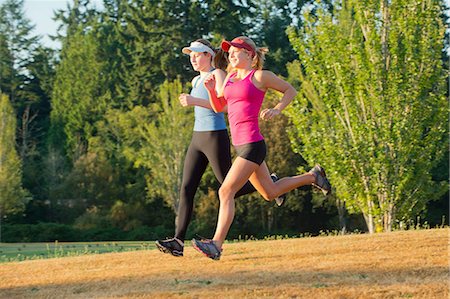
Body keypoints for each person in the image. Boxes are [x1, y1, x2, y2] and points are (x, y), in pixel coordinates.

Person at [191, 36, 332, 260]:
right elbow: (220, 107)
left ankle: (216, 245)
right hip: (240, 146)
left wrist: (277, 109)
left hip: (252, 145)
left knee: (225, 191)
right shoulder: (228, 79)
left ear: (251, 55)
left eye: (237, 51)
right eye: (230, 52)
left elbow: (290, 90)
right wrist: (210, 90)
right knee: (270, 193)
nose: (232, 55)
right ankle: (313, 176)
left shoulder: (259, 76)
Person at [155, 39, 285, 258]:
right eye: (191, 55)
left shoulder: (220, 75)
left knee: (227, 187)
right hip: (198, 137)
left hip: (216, 136)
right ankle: (178, 240)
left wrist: (194, 101)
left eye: (197, 54)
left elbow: (224, 107)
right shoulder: (197, 80)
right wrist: (196, 97)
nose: (193, 58)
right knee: (187, 187)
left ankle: (271, 182)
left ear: (208, 55)